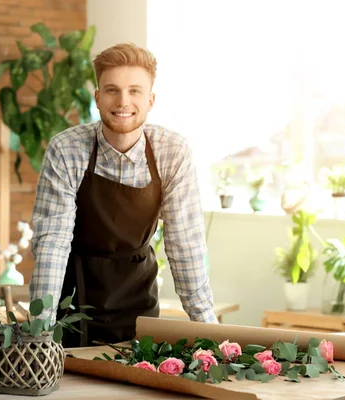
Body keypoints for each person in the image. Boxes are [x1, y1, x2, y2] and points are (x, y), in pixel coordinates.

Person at [30, 43, 217, 349]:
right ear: (98, 97)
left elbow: (185, 244)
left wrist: (210, 332)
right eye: (112, 90)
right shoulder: (66, 149)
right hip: (73, 301)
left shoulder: (172, 151)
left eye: (134, 91)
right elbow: (52, 243)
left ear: (150, 100)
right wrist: (40, 332)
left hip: (139, 298)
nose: (123, 101)